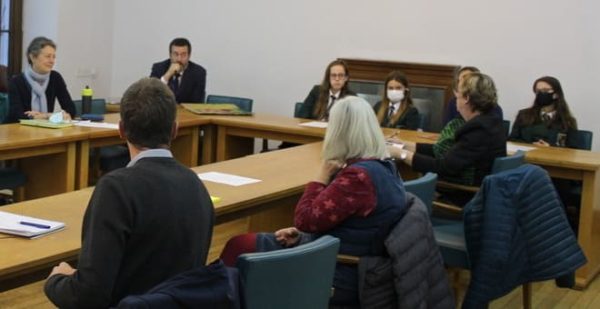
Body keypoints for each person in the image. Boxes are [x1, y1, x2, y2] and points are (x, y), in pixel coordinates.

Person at [44, 78, 215, 308]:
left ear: (121, 130)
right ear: (175, 130)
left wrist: (56, 280)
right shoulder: (196, 184)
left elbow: (88, 297)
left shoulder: (116, 189)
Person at [221, 96, 408, 306]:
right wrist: (302, 236)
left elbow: (304, 219)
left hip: (339, 268)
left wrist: (321, 176)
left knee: (238, 246)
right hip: (346, 253)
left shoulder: (358, 178)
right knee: (241, 245)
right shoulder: (384, 167)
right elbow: (344, 221)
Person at [390, 73, 506, 191]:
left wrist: (401, 154)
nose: (455, 100)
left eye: (458, 95)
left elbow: (443, 167)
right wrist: (404, 145)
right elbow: (442, 151)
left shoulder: (478, 129)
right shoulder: (491, 120)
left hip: (464, 192)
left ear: (466, 98)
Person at [5, 36, 76, 123]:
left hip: (45, 130)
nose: (52, 61)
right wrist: (52, 116)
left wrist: (45, 116)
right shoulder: (16, 82)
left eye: (54, 57)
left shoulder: (55, 78)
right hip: (15, 131)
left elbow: (71, 110)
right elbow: (17, 116)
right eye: (47, 56)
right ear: (33, 57)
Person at [509, 76, 578, 148]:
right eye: (538, 91)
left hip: (552, 158)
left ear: (556, 94)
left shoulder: (568, 121)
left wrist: (550, 147)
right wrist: (531, 145)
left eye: (545, 90)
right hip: (525, 157)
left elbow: (572, 149)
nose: (541, 93)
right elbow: (512, 140)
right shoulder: (523, 115)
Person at [150, 37, 207, 103]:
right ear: (170, 55)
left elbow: (197, 103)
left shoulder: (199, 73)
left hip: (186, 112)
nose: (179, 59)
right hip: (162, 112)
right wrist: (167, 75)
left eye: (183, 55)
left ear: (189, 56)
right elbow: (151, 97)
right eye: (175, 54)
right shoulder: (158, 68)